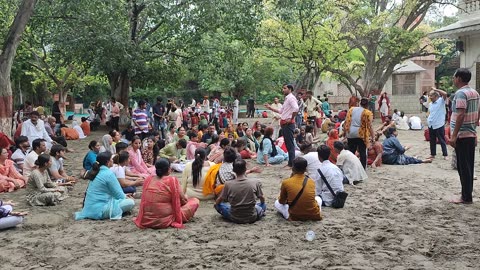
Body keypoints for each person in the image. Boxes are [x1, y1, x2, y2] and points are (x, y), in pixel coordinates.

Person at [134, 158, 199, 229]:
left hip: (146, 219)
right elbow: (183, 200)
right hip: (164, 220)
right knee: (195, 201)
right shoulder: (172, 180)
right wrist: (185, 199)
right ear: (168, 169)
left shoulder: (148, 179)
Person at [449, 68, 480, 204]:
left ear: (459, 79)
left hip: (462, 135)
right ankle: (466, 194)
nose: (453, 79)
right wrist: (475, 132)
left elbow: (461, 114)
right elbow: (477, 113)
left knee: (463, 167)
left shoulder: (460, 94)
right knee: (468, 166)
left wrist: (454, 136)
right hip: (470, 133)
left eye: (454, 77)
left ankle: (466, 197)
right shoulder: (475, 93)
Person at [75, 152, 135, 220]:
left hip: (89, 208)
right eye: (111, 159)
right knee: (131, 202)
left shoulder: (96, 171)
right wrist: (125, 197)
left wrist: (124, 195)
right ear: (108, 162)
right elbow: (119, 195)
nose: (113, 160)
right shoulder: (108, 173)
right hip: (99, 210)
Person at [214, 159, 266, 224]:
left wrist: (216, 204)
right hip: (252, 216)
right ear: (245, 169)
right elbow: (262, 198)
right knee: (263, 205)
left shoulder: (228, 184)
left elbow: (220, 199)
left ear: (233, 170)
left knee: (220, 205)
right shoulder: (254, 182)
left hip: (234, 217)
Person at [265, 84, 299, 168]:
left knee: (290, 144)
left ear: (290, 89)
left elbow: (296, 108)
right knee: (288, 143)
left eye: (285, 88)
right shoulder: (287, 99)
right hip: (284, 123)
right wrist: (270, 108)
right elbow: (281, 111)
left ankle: (291, 164)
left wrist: (291, 118)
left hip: (288, 124)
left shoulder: (291, 98)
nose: (283, 90)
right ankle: (290, 163)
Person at [344, 97, 375, 169]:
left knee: (351, 151)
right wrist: (373, 137)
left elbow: (346, 121)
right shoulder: (368, 113)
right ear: (367, 105)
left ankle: (349, 167)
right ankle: (362, 169)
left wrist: (345, 132)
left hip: (350, 133)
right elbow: (370, 126)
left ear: (360, 103)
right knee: (362, 152)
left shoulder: (351, 109)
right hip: (361, 134)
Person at [427, 87, 448, 159]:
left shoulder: (441, 101)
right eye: (429, 95)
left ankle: (445, 155)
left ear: (436, 96)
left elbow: (445, 94)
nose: (430, 97)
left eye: (431, 95)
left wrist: (435, 89)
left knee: (442, 140)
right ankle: (432, 154)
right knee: (432, 140)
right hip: (431, 124)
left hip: (439, 124)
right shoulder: (430, 104)